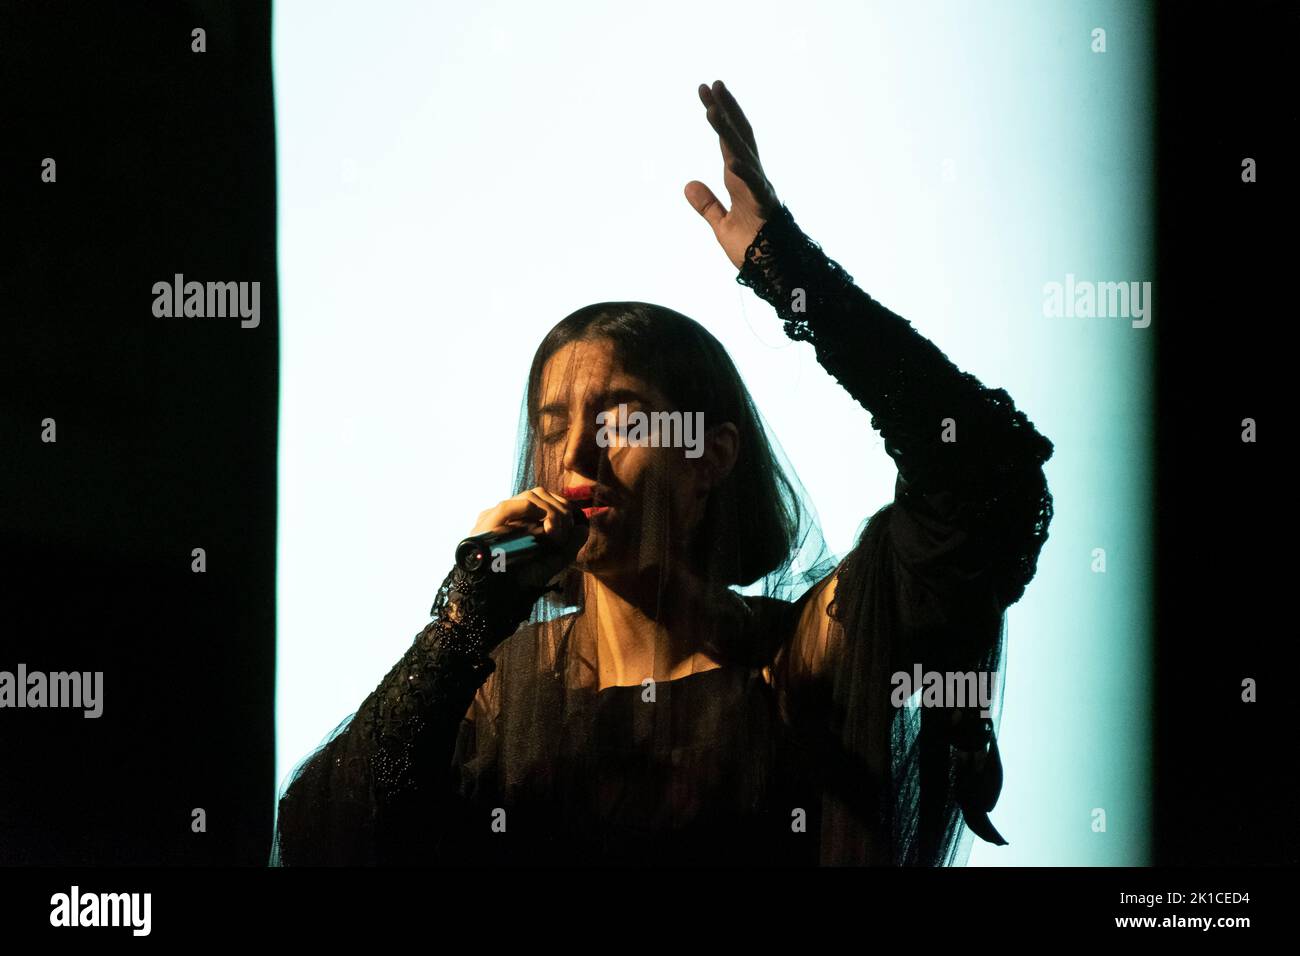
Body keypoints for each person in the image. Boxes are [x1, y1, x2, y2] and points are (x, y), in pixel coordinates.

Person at [269, 80, 1055, 866]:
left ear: (711, 455)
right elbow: (319, 839)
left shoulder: (799, 660)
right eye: (552, 429)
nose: (576, 457)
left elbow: (983, 473)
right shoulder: (500, 689)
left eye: (621, 422)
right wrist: (463, 620)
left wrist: (792, 273)